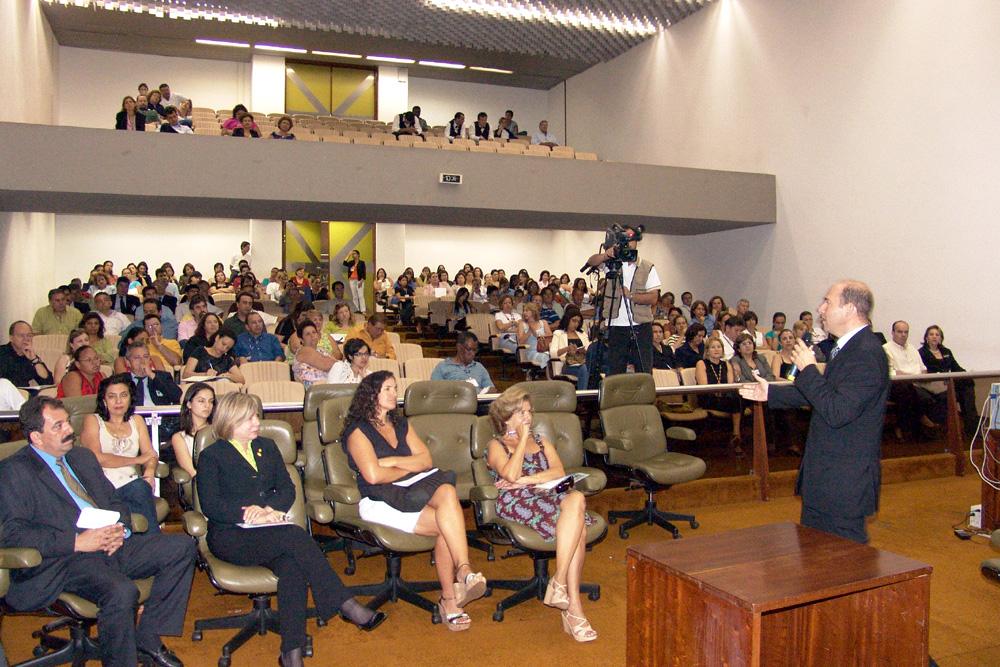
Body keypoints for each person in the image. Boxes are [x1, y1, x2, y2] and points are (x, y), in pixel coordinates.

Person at [0, 396, 195, 667]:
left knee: (182, 547)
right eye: (58, 426)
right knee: (122, 592)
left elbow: (114, 500)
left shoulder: (81, 457)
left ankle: (147, 636)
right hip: (66, 559)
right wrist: (76, 542)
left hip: (110, 544)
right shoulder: (15, 471)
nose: (69, 429)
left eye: (67, 422)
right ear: (36, 437)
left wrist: (121, 529)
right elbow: (12, 532)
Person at [197, 393, 385, 666]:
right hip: (230, 535)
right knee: (295, 536)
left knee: (292, 566)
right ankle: (345, 604)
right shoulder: (212, 456)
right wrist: (248, 513)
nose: (256, 422)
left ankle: (291, 653)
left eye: (256, 416)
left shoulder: (267, 446)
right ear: (230, 421)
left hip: (270, 531)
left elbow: (287, 489)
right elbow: (212, 505)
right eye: (248, 418)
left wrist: (268, 510)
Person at [740, 280, 890, 544]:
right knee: (814, 554)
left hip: (843, 482)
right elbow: (826, 393)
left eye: (827, 302)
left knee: (844, 558)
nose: (820, 308)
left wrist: (808, 369)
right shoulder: (848, 347)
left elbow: (837, 410)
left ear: (849, 308)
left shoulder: (866, 353)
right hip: (826, 477)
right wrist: (771, 393)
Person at [343, 372, 486, 631]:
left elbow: (426, 460)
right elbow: (373, 476)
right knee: (447, 523)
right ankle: (450, 598)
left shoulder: (400, 424)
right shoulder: (357, 431)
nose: (394, 393)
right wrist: (408, 467)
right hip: (379, 500)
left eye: (395, 388)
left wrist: (393, 462)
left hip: (411, 490)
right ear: (371, 395)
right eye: (387, 389)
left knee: (447, 493)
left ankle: (463, 572)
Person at [485, 387, 597, 642]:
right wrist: (522, 440)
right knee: (577, 528)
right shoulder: (496, 445)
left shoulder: (542, 441)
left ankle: (559, 581)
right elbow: (510, 474)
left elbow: (558, 472)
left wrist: (527, 479)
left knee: (577, 498)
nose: (528, 417)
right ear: (506, 418)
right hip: (518, 502)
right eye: (521, 413)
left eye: (529, 412)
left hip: (548, 494)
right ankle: (574, 609)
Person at [79, 373, 161, 534]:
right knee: (139, 490)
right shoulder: (93, 420)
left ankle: (142, 542)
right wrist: (137, 460)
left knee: (140, 489)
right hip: (104, 485)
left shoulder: (137, 420)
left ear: (130, 398)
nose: (118, 401)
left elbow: (150, 454)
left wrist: (150, 472)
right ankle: (155, 540)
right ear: (104, 400)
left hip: (133, 484)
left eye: (123, 395)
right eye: (112, 396)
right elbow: (96, 458)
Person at [585, 229, 661, 374]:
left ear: (636, 243)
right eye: (624, 241)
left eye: (631, 241)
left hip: (641, 325)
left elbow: (653, 298)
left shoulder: (647, 267)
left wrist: (631, 295)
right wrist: (606, 255)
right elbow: (591, 262)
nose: (628, 245)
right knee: (615, 370)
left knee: (644, 369)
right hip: (616, 325)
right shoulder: (612, 264)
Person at [883, 319, 941, 439]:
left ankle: (921, 429)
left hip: (917, 383)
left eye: (906, 332)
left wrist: (912, 375)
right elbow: (892, 373)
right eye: (900, 332)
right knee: (912, 393)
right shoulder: (886, 349)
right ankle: (913, 427)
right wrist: (912, 375)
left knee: (939, 394)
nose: (903, 335)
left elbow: (923, 369)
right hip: (896, 386)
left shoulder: (912, 349)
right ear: (893, 333)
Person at [696, 337, 743, 452]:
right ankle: (736, 435)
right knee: (736, 401)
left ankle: (736, 434)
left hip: (725, 397)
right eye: (713, 347)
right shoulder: (701, 363)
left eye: (719, 347)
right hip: (708, 397)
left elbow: (730, 386)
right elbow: (703, 386)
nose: (716, 349)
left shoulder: (726, 364)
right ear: (707, 351)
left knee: (738, 398)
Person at [170, 382, 215, 481]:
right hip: (203, 482)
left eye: (211, 401)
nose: (207, 405)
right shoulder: (179, 437)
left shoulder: (219, 430)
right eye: (201, 401)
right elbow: (192, 471)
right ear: (189, 404)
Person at [431, 331, 495, 393]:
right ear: (459, 347)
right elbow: (434, 390)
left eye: (475, 350)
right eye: (469, 349)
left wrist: (487, 391)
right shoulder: (443, 366)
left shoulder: (479, 367)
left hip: (479, 399)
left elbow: (491, 389)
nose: (473, 354)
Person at [123, 341, 182, 408]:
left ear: (150, 360)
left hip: (158, 413)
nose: (142, 361)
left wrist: (151, 375)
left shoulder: (162, 376)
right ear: (128, 362)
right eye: (137, 358)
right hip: (131, 414)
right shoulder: (121, 380)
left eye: (145, 357)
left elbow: (177, 396)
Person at [0, 321, 53, 387]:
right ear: (11, 338)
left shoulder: (31, 356)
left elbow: (48, 383)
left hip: (25, 392)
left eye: (29, 335)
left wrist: (34, 359)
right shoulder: (2, 353)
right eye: (21, 335)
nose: (26, 339)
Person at [549, 307, 590, 390]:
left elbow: (589, 349)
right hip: (567, 365)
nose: (576, 324)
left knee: (592, 368)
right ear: (567, 320)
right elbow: (553, 353)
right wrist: (567, 349)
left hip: (583, 362)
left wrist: (584, 351)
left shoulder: (582, 334)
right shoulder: (558, 333)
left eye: (578, 322)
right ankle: (582, 395)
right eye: (574, 321)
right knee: (583, 369)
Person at [291, 321, 336, 388]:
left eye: (314, 332)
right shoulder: (303, 351)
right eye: (308, 334)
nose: (312, 336)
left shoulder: (322, 350)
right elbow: (328, 364)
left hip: (328, 385)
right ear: (301, 340)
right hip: (314, 390)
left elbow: (335, 364)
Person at [517, 303, 552, 372]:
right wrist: (529, 331)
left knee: (554, 357)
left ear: (533, 312)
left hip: (545, 350)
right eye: (524, 311)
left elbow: (550, 337)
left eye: (527, 311)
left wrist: (539, 336)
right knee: (547, 358)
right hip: (531, 352)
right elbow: (520, 342)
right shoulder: (522, 324)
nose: (524, 313)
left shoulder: (543, 322)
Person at [343, 249, 367, 313]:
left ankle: (363, 310)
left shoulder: (362, 262)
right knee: (354, 296)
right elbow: (344, 263)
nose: (353, 255)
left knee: (361, 296)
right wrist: (349, 255)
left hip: (359, 280)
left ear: (358, 255)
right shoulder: (351, 262)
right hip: (352, 280)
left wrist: (361, 281)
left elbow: (364, 272)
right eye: (352, 254)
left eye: (354, 253)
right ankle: (356, 310)